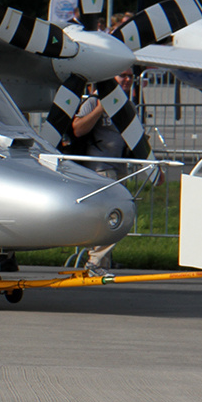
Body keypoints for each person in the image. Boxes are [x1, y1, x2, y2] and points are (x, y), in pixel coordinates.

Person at [72, 69, 132, 272]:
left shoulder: (127, 106)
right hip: (100, 168)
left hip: (119, 167)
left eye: (130, 76)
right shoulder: (92, 102)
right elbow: (78, 128)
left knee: (113, 215)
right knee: (115, 213)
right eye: (122, 75)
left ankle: (104, 261)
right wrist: (100, 109)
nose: (127, 80)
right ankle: (95, 262)